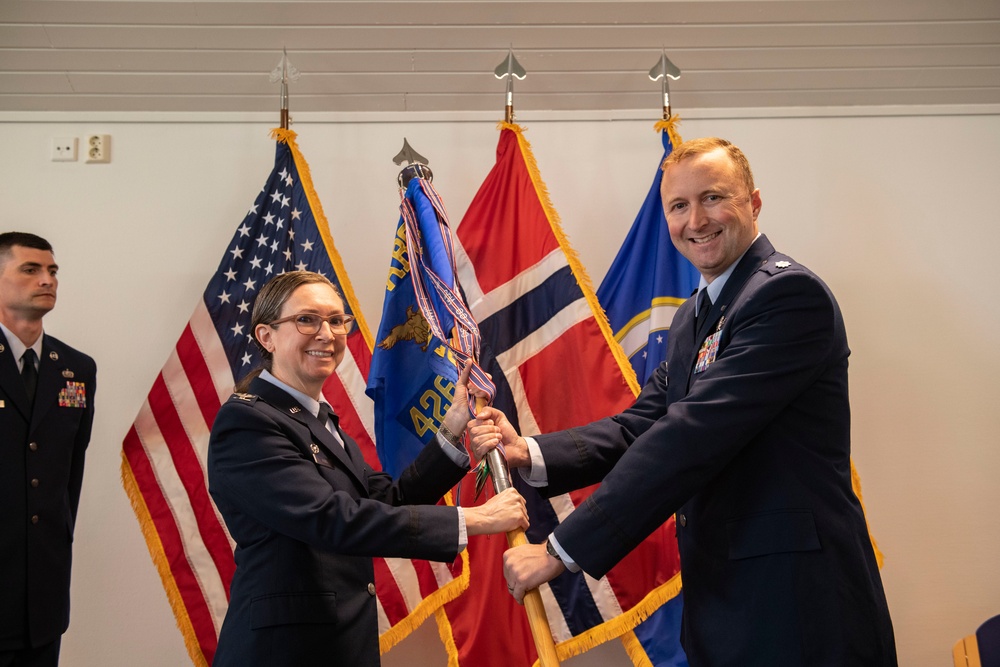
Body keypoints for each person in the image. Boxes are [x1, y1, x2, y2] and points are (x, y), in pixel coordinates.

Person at [471, 138, 897, 665]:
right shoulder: (693, 317)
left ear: (754, 203)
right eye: (678, 206)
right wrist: (528, 451)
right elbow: (640, 426)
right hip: (723, 606)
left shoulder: (787, 297)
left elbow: (690, 436)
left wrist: (561, 550)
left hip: (797, 608)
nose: (696, 220)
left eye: (713, 197)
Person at [207, 270, 528, 667]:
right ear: (266, 336)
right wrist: (474, 519)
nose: (327, 334)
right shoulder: (247, 423)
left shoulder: (318, 419)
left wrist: (452, 426)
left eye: (337, 320)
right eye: (307, 319)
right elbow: (332, 520)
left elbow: (388, 501)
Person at [0, 232, 97, 667]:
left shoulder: (76, 368)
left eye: (52, 271)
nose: (47, 280)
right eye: (31, 269)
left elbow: (70, 470)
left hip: (43, 586)